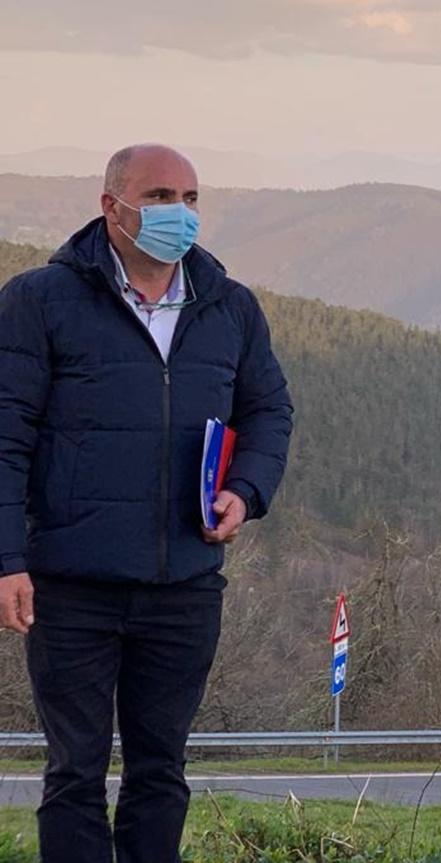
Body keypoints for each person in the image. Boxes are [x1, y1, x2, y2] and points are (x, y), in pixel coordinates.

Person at [0, 144, 294, 863]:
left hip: (184, 586)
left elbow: (270, 410)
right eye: (161, 196)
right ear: (112, 206)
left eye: (191, 197)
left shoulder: (229, 306)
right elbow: (4, 438)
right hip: (72, 585)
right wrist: (8, 560)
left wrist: (246, 490)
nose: (180, 213)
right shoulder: (39, 302)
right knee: (75, 773)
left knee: (161, 772)